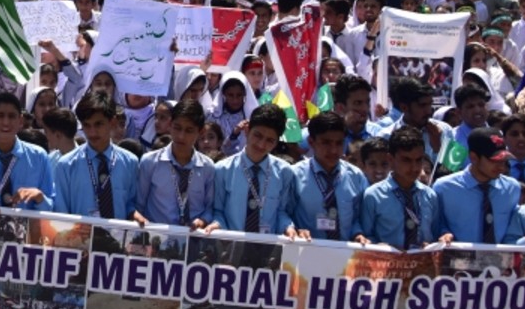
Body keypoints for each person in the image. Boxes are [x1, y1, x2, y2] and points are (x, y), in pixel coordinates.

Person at [53, 91, 141, 222]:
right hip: (78, 239)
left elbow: (130, 204)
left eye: (98, 124)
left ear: (112, 122)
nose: (92, 132)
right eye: (87, 125)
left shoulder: (130, 162)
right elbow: (61, 213)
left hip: (118, 239)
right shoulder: (66, 165)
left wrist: (135, 215)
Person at [359, 127, 452, 249]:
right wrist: (380, 246)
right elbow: (366, 236)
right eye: (406, 160)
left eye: (418, 160)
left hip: (423, 264)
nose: (414, 168)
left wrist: (444, 235)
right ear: (391, 159)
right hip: (387, 264)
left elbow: (436, 232)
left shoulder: (430, 195)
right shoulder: (373, 196)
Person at [207, 103, 294, 235]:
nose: (261, 144)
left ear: (277, 142)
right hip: (231, 248)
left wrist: (288, 228)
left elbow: (282, 212)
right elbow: (218, 211)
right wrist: (217, 224)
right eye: (257, 136)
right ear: (247, 130)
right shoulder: (223, 170)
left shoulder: (284, 172)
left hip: (269, 249)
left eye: (270, 140)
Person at [287, 112, 369, 242]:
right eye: (326, 143)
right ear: (311, 142)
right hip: (306, 253)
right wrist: (294, 229)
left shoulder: (356, 176)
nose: (334, 150)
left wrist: (357, 234)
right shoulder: (294, 175)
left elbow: (360, 218)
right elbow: (284, 213)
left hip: (346, 256)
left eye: (339, 143)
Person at [432, 127, 520, 244]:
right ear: (474, 157)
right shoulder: (444, 188)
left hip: (501, 259)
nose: (501, 167)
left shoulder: (512, 188)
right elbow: (436, 224)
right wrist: (444, 234)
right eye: (493, 161)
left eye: (503, 160)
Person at [136, 99, 215, 228]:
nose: (181, 136)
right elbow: (139, 205)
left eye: (189, 130)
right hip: (157, 240)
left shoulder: (208, 168)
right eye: (177, 128)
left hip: (193, 240)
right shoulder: (150, 162)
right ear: (170, 125)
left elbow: (210, 209)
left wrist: (202, 221)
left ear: (200, 132)